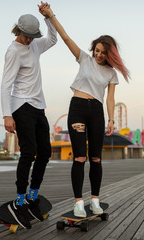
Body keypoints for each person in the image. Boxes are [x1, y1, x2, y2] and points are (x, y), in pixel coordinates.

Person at [39, 3, 130, 217]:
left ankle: (95, 200)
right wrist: (51, 16)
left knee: (96, 158)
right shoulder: (84, 59)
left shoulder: (111, 73)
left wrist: (111, 120)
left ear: (110, 54)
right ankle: (79, 202)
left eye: (103, 53)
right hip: (78, 109)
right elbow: (66, 37)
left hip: (97, 112)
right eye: (97, 50)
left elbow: (110, 98)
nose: (98, 55)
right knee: (80, 157)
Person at [0, 2, 57, 228]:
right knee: (29, 152)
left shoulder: (34, 45)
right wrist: (7, 115)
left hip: (38, 106)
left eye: (33, 37)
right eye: (27, 37)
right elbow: (5, 85)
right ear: (19, 31)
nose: (30, 40)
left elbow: (52, 40)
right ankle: (20, 199)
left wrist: (48, 18)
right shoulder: (13, 51)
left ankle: (33, 196)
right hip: (20, 106)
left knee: (45, 152)